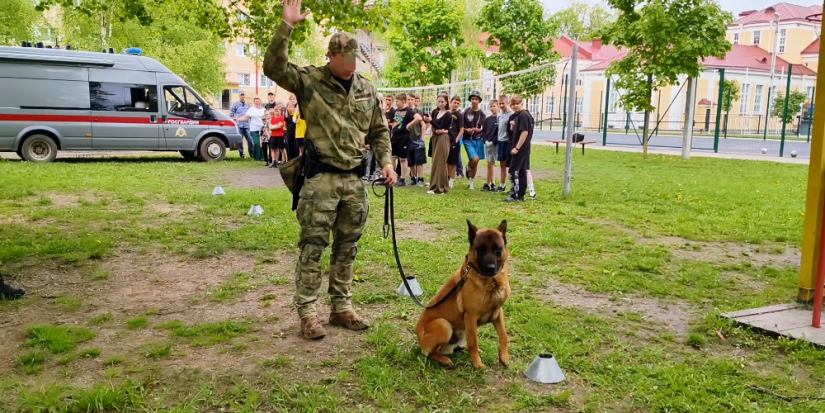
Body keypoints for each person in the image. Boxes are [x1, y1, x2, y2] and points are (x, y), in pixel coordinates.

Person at [263, 0, 396, 340]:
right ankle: (308, 313)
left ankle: (341, 308)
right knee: (313, 247)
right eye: (346, 61)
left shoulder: (367, 88)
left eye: (356, 61)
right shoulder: (309, 80)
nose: (352, 67)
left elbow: (379, 132)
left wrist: (386, 162)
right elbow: (274, 68)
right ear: (331, 56)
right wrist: (287, 26)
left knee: (347, 248)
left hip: (355, 180)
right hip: (321, 178)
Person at [389, 93, 422, 187]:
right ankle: (392, 177)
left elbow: (419, 118)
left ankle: (402, 179)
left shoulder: (409, 111)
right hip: (394, 138)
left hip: (404, 138)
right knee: (392, 158)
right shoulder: (396, 111)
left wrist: (409, 125)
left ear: (403, 101)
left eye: (397, 101)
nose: (396, 103)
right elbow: (394, 123)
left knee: (403, 159)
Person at [505, 95, 533, 202]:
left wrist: (517, 147)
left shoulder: (523, 115)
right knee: (521, 171)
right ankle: (520, 195)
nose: (515, 106)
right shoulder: (518, 116)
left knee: (513, 170)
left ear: (522, 103)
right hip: (523, 148)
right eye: (513, 104)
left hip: (521, 148)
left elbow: (524, 132)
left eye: (517, 104)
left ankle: (515, 194)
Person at [426, 93, 452, 194]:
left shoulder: (448, 114)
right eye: (439, 101)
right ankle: (443, 186)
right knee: (436, 162)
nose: (440, 103)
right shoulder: (436, 112)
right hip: (436, 138)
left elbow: (441, 127)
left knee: (440, 163)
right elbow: (437, 127)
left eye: (442, 102)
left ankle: (438, 189)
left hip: (443, 139)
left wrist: (431, 122)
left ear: (446, 102)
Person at [462, 90, 486, 190]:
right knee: (474, 159)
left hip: (478, 139)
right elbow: (461, 126)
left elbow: (483, 128)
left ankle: (472, 182)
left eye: (476, 99)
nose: (474, 101)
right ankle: (468, 167)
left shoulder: (482, 114)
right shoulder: (466, 112)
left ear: (479, 100)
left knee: (476, 161)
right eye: (472, 99)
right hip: (468, 139)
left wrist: (478, 129)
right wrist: (467, 130)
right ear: (470, 100)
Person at [236, 97, 266, 161]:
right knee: (256, 143)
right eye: (256, 101)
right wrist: (238, 119)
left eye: (258, 101)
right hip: (254, 129)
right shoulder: (251, 110)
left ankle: (262, 157)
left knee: (262, 144)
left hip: (262, 129)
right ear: (254, 103)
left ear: (261, 102)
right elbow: (245, 117)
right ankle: (256, 158)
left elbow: (267, 118)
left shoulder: (264, 110)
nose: (257, 102)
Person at [407, 93, 427, 186]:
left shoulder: (418, 111)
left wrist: (422, 138)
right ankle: (413, 177)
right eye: (408, 99)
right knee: (410, 160)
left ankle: (420, 178)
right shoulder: (405, 111)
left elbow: (423, 124)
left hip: (417, 138)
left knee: (419, 160)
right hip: (408, 139)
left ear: (414, 100)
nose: (409, 101)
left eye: (411, 99)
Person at [496, 94, 514, 193]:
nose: (501, 105)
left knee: (510, 166)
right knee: (502, 165)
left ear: (508, 103)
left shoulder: (512, 115)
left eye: (503, 103)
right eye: (500, 104)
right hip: (500, 142)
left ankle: (513, 186)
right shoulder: (500, 115)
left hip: (508, 143)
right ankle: (502, 185)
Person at [482, 99, 500, 191]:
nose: (492, 108)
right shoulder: (487, 119)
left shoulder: (500, 118)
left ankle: (490, 183)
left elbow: (499, 132)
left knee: (492, 164)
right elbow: (484, 131)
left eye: (494, 106)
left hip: (495, 144)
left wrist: (493, 141)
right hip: (488, 144)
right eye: (491, 106)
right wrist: (485, 140)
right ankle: (491, 183)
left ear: (498, 106)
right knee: (490, 164)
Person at [446, 95, 464, 188]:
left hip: (454, 141)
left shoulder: (459, 115)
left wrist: (456, 140)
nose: (456, 105)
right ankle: (447, 178)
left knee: (453, 162)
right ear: (450, 102)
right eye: (454, 102)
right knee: (447, 161)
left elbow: (462, 129)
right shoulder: (446, 113)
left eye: (458, 103)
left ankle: (451, 180)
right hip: (445, 140)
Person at [230, 91, 252, 159]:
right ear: (239, 96)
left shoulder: (248, 105)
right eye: (241, 95)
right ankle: (242, 155)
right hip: (239, 126)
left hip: (247, 125)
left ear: (245, 96)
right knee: (240, 142)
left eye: (243, 95)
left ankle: (252, 154)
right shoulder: (235, 104)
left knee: (250, 140)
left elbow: (250, 114)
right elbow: (231, 114)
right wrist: (235, 119)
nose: (242, 96)